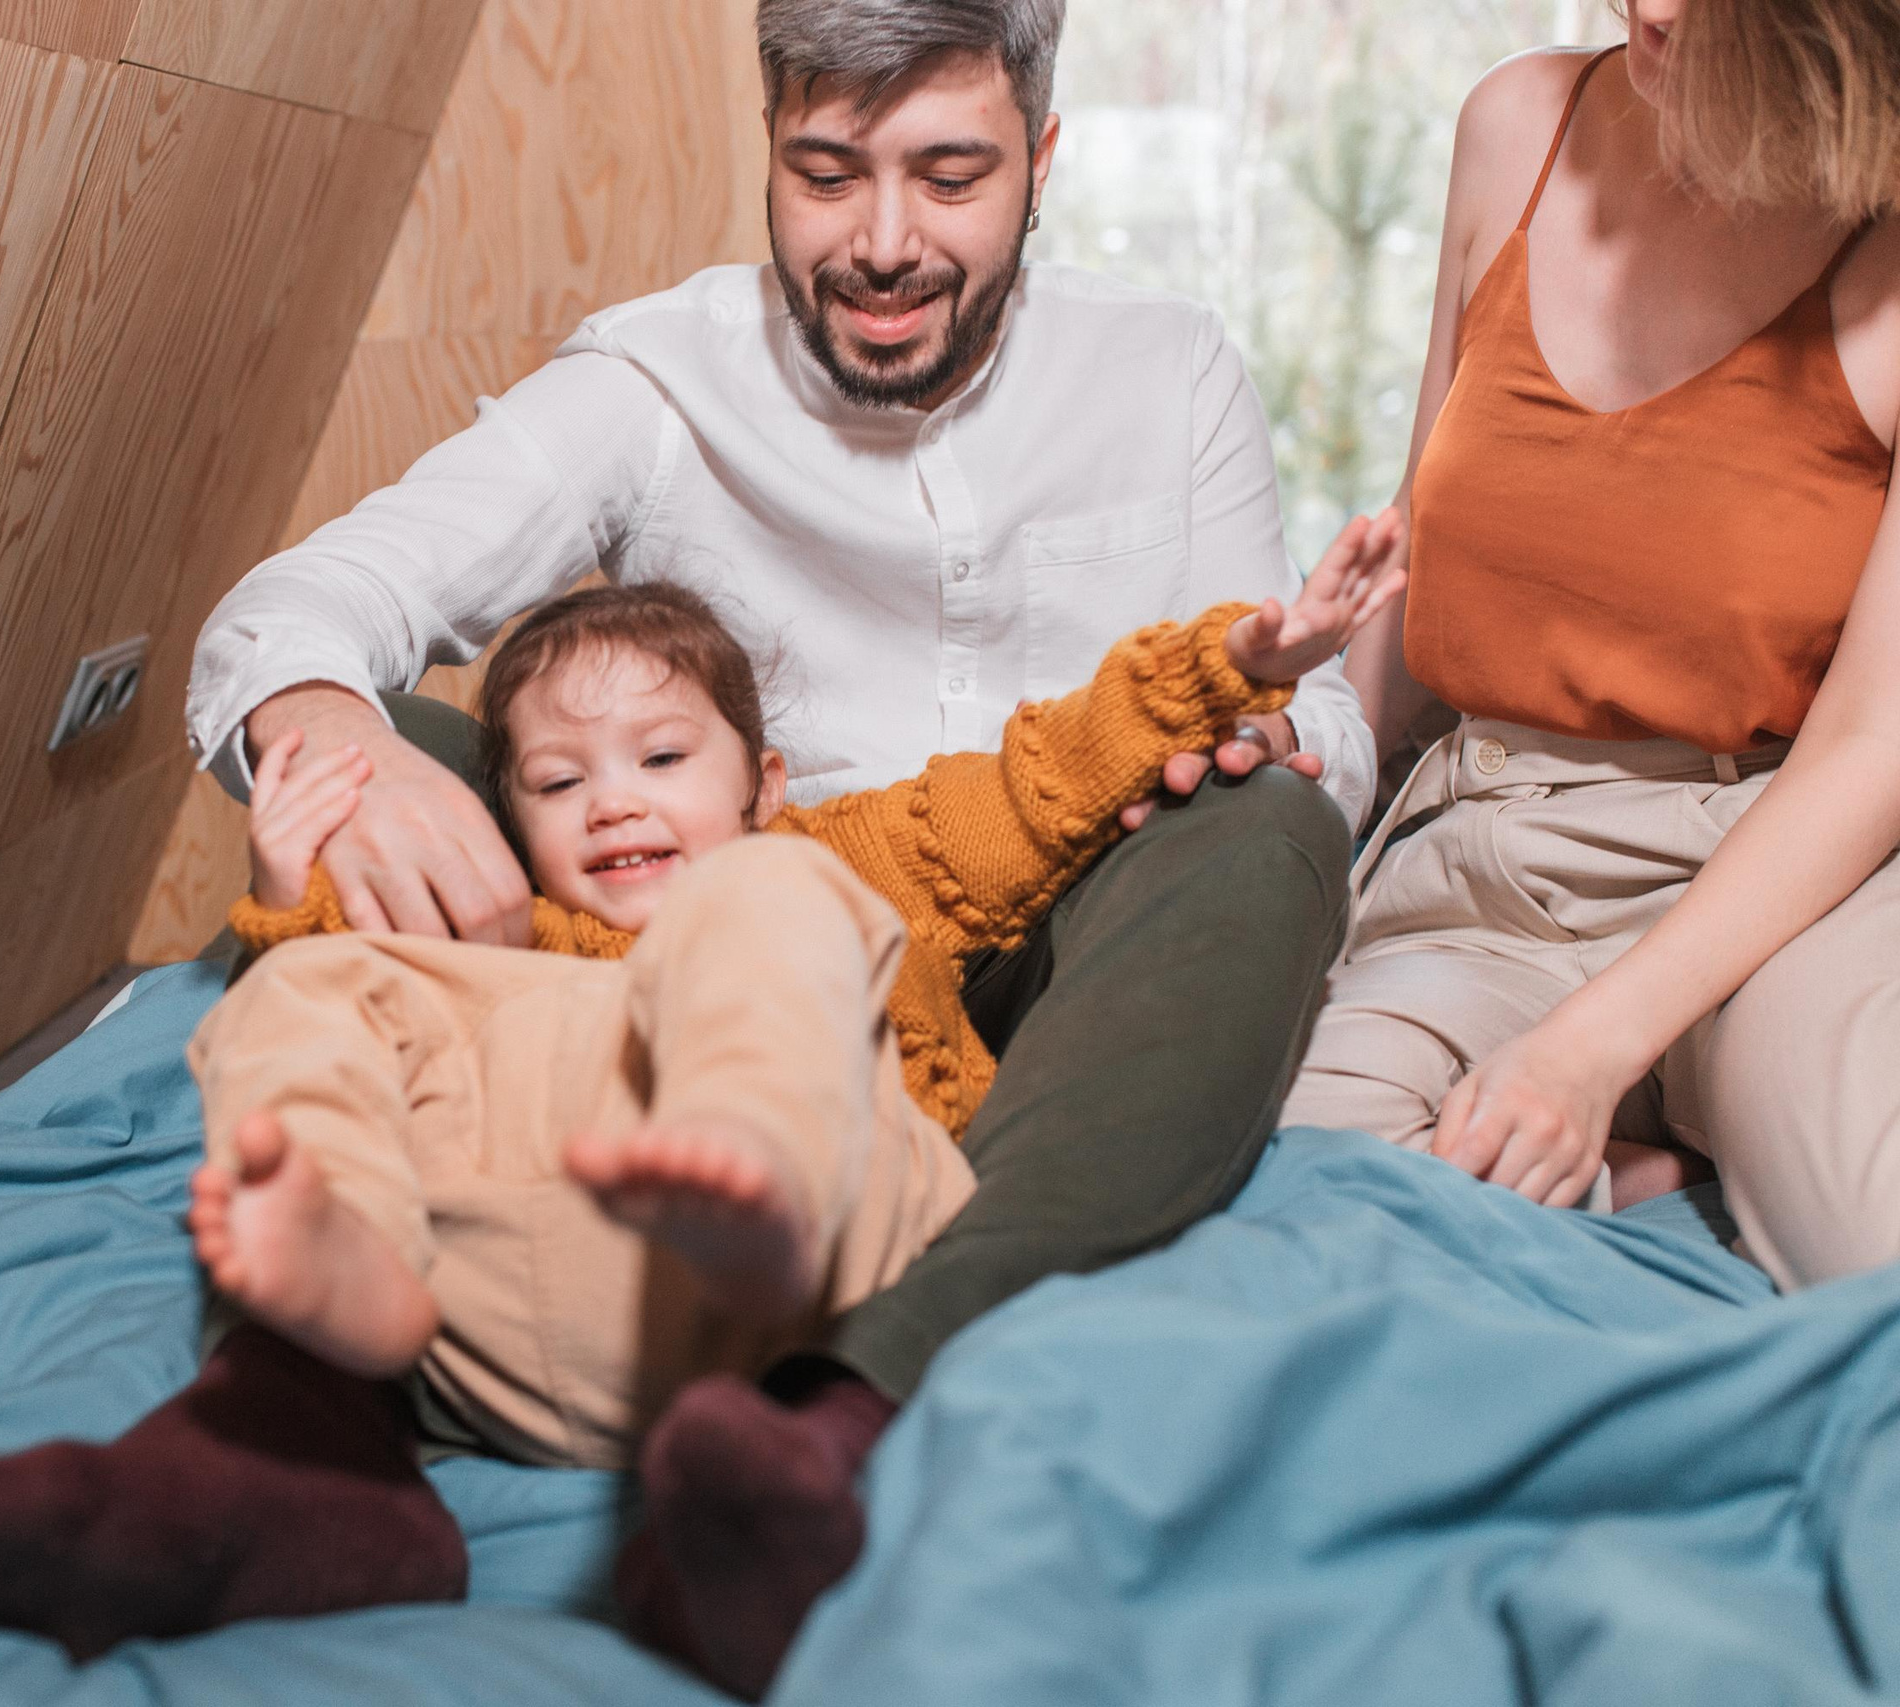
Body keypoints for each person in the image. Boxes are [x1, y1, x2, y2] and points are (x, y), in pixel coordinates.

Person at [162, 0, 1376, 1686]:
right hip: (717, 933)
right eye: (827, 174)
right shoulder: (648, 380)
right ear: (772, 155)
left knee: (1270, 816)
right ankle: (301, 1413)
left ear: (1044, 157)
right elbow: (296, 609)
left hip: (1080, 926)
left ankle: (850, 1394)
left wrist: (1264, 730)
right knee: (409, 743)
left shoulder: (1170, 364)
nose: (883, 244)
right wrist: (350, 748)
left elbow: (1319, 707)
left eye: (951, 176)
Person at [0, 531, 1400, 1676]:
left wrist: (1236, 660)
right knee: (323, 991)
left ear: (762, 775)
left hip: (826, 1252)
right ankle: (331, 1338)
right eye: (560, 781)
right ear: (508, 821)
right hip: (507, 1313)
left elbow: (1042, 780)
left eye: (662, 759)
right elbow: (353, 1001)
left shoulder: (824, 852)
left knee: (764, 907)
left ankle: (747, 1169)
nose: (616, 802)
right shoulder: (502, 933)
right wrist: (291, 905)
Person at [1285, 0, 1900, 1282]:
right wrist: (1312, 776)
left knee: (1879, 1248)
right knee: (1312, 1201)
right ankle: (1668, 1179)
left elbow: (1872, 747)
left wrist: (1588, 1048)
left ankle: (1692, 1137)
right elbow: (1422, 564)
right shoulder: (1517, 124)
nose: (1651, 7)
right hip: (1491, 850)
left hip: (1785, 873)